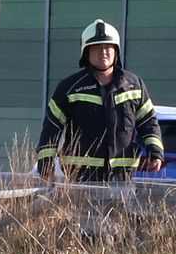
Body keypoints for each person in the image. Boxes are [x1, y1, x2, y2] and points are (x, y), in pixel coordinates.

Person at [37, 20, 164, 182]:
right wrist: (46, 167)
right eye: (97, 48)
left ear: (116, 51)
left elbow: (149, 123)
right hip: (79, 178)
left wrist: (155, 151)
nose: (103, 52)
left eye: (108, 47)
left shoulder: (134, 86)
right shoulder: (70, 88)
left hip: (122, 178)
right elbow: (51, 129)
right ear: (86, 53)